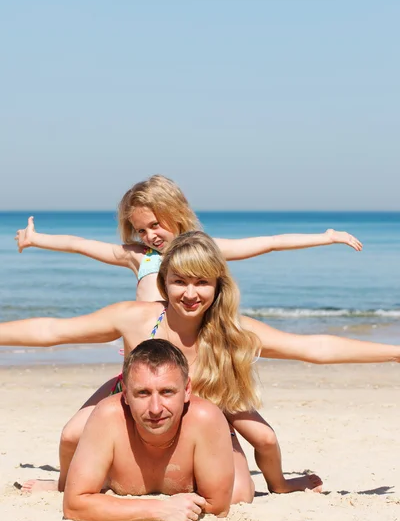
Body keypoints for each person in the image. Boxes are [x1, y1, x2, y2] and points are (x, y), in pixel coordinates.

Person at [2, 232, 395, 497]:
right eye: (179, 282)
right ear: (164, 283)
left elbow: (314, 348)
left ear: (217, 286)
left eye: (202, 283)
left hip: (207, 405)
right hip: (137, 397)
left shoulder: (231, 329)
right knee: (72, 436)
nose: (190, 294)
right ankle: (62, 485)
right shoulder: (137, 317)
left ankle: (280, 485)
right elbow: (53, 329)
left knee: (247, 481)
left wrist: (394, 352)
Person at [15, 175, 362, 302]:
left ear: (175, 213)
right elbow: (80, 245)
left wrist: (325, 236)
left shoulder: (204, 249)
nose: (150, 235)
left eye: (155, 224)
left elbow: (269, 242)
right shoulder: (139, 257)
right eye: (141, 230)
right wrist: (37, 239)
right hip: (147, 347)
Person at [63, 339, 240, 521]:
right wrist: (160, 509)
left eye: (167, 392)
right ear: (125, 393)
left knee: (241, 492)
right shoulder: (108, 416)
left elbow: (217, 507)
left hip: (219, 443)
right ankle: (55, 483)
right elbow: (74, 506)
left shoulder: (206, 418)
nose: (155, 409)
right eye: (143, 393)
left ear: (187, 390)